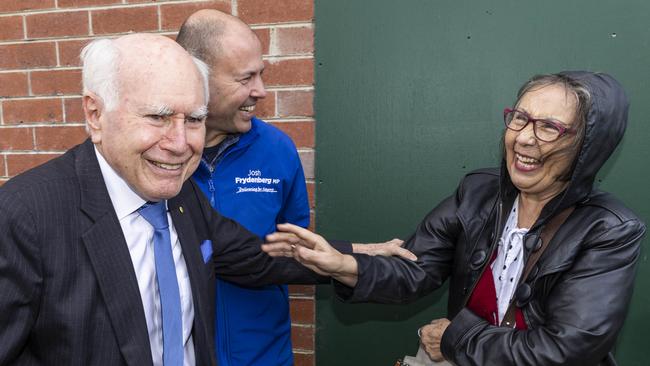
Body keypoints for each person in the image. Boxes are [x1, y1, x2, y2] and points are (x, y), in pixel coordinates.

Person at [265, 71, 645, 365]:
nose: (525, 138)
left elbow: (565, 350)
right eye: (520, 118)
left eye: (550, 127)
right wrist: (343, 264)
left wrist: (455, 338)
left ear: (587, 148)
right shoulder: (478, 193)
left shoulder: (610, 230)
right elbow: (418, 268)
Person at [0, 33, 333, 366]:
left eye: (194, 120)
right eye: (157, 116)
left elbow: (258, 257)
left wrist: (361, 262)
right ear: (95, 114)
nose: (179, 144)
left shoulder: (184, 195)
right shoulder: (23, 217)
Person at [175, 10, 414, 365]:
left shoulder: (277, 150)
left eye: (262, 74)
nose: (261, 90)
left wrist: (360, 255)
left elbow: (294, 251)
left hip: (263, 357)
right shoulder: (161, 160)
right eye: (246, 78)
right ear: (199, 78)